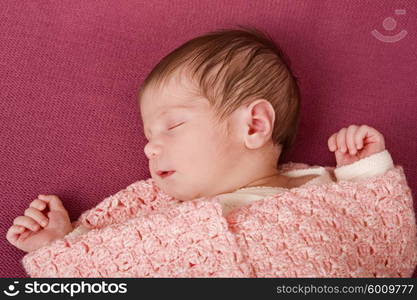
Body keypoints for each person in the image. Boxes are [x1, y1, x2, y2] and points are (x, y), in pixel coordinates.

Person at [6, 26, 417, 277]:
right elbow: (118, 256)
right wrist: (61, 243)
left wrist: (364, 172)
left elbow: (384, 241)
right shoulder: (156, 210)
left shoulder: (320, 189)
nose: (150, 146)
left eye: (174, 125)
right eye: (148, 134)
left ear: (253, 125)